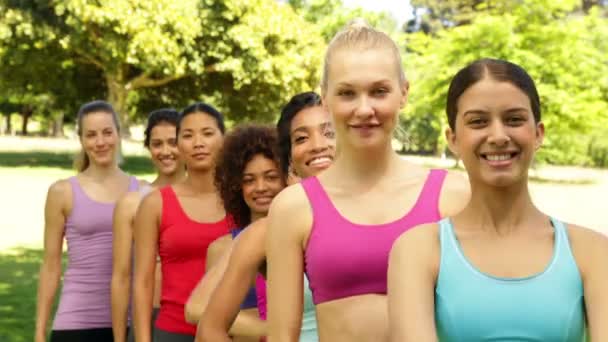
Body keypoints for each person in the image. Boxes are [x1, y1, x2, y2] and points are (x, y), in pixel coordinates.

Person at [265, 21, 469, 341]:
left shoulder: (455, 195)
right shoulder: (293, 208)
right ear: (326, 99)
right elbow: (281, 337)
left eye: (379, 91)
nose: (364, 109)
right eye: (347, 93)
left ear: (403, 93)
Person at [387, 58, 608, 341]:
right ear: (453, 139)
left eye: (514, 119)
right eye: (478, 122)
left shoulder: (592, 252)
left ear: (538, 134)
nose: (498, 136)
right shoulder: (418, 250)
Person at [189, 92, 335, 342]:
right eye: (301, 137)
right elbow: (200, 315)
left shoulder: (389, 210)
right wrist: (265, 328)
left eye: (329, 132)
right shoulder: (267, 232)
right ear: (289, 161)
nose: (318, 144)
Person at [35, 100, 144, 342]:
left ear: (118, 133)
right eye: (91, 135)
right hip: (76, 322)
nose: (101, 142)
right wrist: (40, 332)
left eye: (107, 132)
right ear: (82, 140)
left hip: (131, 322)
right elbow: (51, 266)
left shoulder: (144, 191)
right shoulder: (62, 192)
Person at [133, 103, 233, 342]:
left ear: (223, 138)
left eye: (207, 133)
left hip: (232, 333)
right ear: (178, 144)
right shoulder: (155, 204)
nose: (198, 142)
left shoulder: (241, 199)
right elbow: (143, 283)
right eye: (188, 135)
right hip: (173, 332)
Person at [111, 109, 186, 342]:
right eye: (157, 144)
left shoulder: (212, 199)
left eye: (173, 142)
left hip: (202, 317)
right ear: (148, 148)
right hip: (149, 320)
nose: (165, 151)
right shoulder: (132, 203)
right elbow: (121, 277)